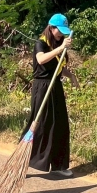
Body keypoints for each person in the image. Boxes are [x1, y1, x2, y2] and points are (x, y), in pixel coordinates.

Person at [20, 13, 76, 177]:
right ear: (51, 28)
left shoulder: (58, 43)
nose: (62, 34)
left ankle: (59, 165)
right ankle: (22, 161)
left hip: (55, 86)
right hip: (42, 86)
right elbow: (41, 59)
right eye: (60, 31)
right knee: (40, 125)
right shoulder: (41, 43)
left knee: (60, 125)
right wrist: (61, 48)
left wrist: (71, 75)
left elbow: (58, 66)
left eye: (64, 32)